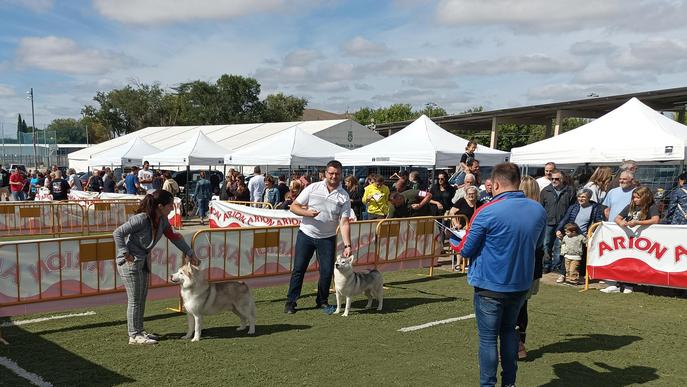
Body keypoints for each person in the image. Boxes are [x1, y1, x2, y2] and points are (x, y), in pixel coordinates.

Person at [456, 162, 546, 387]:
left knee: (488, 340)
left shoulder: (486, 211)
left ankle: (488, 385)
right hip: (520, 283)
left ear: (495, 184)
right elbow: (537, 246)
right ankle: (509, 383)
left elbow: (466, 249)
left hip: (490, 284)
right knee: (509, 333)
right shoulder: (538, 210)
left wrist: (454, 240)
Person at [113, 190, 199, 345]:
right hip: (129, 263)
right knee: (135, 300)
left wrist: (190, 253)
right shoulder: (141, 219)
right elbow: (118, 233)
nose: (172, 208)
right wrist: (126, 254)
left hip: (143, 262)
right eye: (170, 205)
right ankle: (134, 335)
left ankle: (139, 331)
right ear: (160, 206)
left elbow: (174, 238)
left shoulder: (163, 221)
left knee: (141, 298)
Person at [284, 160, 352, 315]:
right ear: (325, 174)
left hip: (327, 238)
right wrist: (307, 213)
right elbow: (294, 206)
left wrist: (348, 245)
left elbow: (344, 222)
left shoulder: (344, 196)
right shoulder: (313, 187)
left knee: (327, 271)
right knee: (299, 269)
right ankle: (291, 302)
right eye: (331, 173)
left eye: (337, 174)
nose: (334, 176)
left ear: (341, 175)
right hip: (306, 234)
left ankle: (322, 301)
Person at [603, 186, 660, 294]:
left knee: (635, 262)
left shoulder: (651, 207)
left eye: (637, 197)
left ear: (645, 197)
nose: (635, 200)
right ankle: (615, 283)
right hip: (627, 239)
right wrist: (621, 223)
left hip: (642, 240)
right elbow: (617, 217)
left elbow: (655, 219)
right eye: (634, 197)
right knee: (623, 260)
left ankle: (630, 285)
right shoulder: (630, 206)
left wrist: (638, 222)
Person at [515, 175, 545, 360]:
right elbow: (540, 242)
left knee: (512, 305)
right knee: (522, 304)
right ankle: (519, 344)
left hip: (519, 262)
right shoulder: (540, 211)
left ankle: (515, 344)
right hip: (534, 262)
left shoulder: (517, 210)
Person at [554, 188, 604, 283]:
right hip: (571, 236)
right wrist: (558, 230)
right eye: (579, 196)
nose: (580, 199)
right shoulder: (574, 207)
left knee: (582, 258)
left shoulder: (595, 208)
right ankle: (562, 274)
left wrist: (592, 233)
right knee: (566, 256)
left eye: (583, 197)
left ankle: (581, 276)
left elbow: (598, 221)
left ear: (588, 198)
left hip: (584, 236)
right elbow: (565, 219)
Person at [540, 170, 575, 275]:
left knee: (559, 246)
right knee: (546, 245)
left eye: (557, 179)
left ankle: (556, 266)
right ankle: (546, 266)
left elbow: (572, 208)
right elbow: (541, 207)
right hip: (548, 223)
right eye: (552, 179)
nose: (554, 181)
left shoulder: (570, 191)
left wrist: (569, 223)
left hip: (563, 223)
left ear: (562, 179)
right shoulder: (545, 191)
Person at [448, 185, 481, 272]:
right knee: (460, 240)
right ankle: (458, 263)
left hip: (472, 228)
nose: (471, 195)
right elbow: (451, 212)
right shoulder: (461, 201)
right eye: (469, 194)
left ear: (476, 194)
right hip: (460, 228)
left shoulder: (479, 203)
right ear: (466, 194)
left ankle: (470, 263)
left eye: (473, 194)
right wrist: (456, 223)